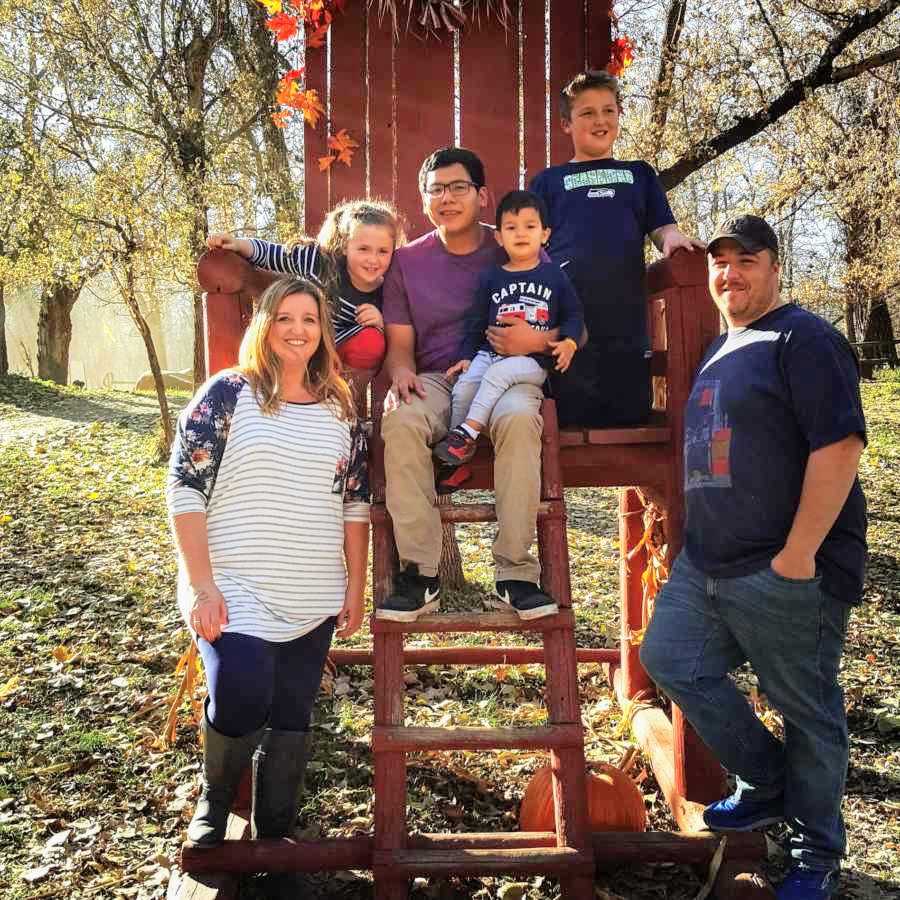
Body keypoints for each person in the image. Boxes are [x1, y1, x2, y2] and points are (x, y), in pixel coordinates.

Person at [639, 215, 867, 900]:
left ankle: (817, 856)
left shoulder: (805, 338)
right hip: (708, 567)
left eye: (746, 261)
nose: (729, 274)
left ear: (774, 268)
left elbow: (839, 449)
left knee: (809, 714)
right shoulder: (721, 346)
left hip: (786, 571)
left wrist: (799, 554)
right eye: (720, 263)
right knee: (671, 660)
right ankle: (767, 782)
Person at [167, 277, 369, 895]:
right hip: (232, 584)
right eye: (285, 317)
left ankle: (274, 835)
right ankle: (216, 801)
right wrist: (202, 587)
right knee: (243, 687)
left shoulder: (340, 407)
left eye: (309, 319)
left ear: (322, 332)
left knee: (291, 713)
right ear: (265, 322)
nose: (298, 329)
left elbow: (354, 505)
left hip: (312, 589)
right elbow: (184, 490)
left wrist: (355, 585)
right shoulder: (227, 395)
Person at [375, 147, 570, 623]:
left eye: (458, 186)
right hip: (440, 379)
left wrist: (539, 340)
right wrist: (399, 369)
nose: (447, 197)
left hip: (511, 374)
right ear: (424, 201)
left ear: (482, 196)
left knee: (524, 419)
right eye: (436, 189)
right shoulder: (407, 261)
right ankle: (420, 575)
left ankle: (515, 574)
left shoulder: (512, 241)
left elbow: (560, 313)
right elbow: (400, 342)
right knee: (399, 419)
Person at [530, 69, 703, 429]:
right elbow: (530, 246)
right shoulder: (548, 181)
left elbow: (662, 227)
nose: (600, 120)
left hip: (626, 323)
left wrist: (672, 240)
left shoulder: (639, 174)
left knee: (628, 417)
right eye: (588, 113)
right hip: (569, 324)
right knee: (569, 420)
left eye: (609, 111)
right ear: (566, 124)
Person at [433, 189, 584, 469]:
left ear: (545, 234)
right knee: (465, 386)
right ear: (500, 237)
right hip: (490, 353)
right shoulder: (491, 277)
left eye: (530, 226)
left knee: (498, 374)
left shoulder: (554, 275)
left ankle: (467, 433)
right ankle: (455, 455)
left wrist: (569, 343)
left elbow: (574, 314)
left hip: (532, 362)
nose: (521, 233)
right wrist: (466, 356)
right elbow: (476, 322)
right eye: (511, 228)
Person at [207, 198, 405, 405]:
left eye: (383, 251)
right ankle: (281, 398)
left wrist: (381, 323)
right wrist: (238, 244)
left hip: (341, 363)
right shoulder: (319, 262)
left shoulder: (390, 288)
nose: (373, 259)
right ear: (345, 246)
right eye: (363, 249)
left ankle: (340, 404)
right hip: (303, 346)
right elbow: (273, 254)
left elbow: (401, 333)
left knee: (371, 341)